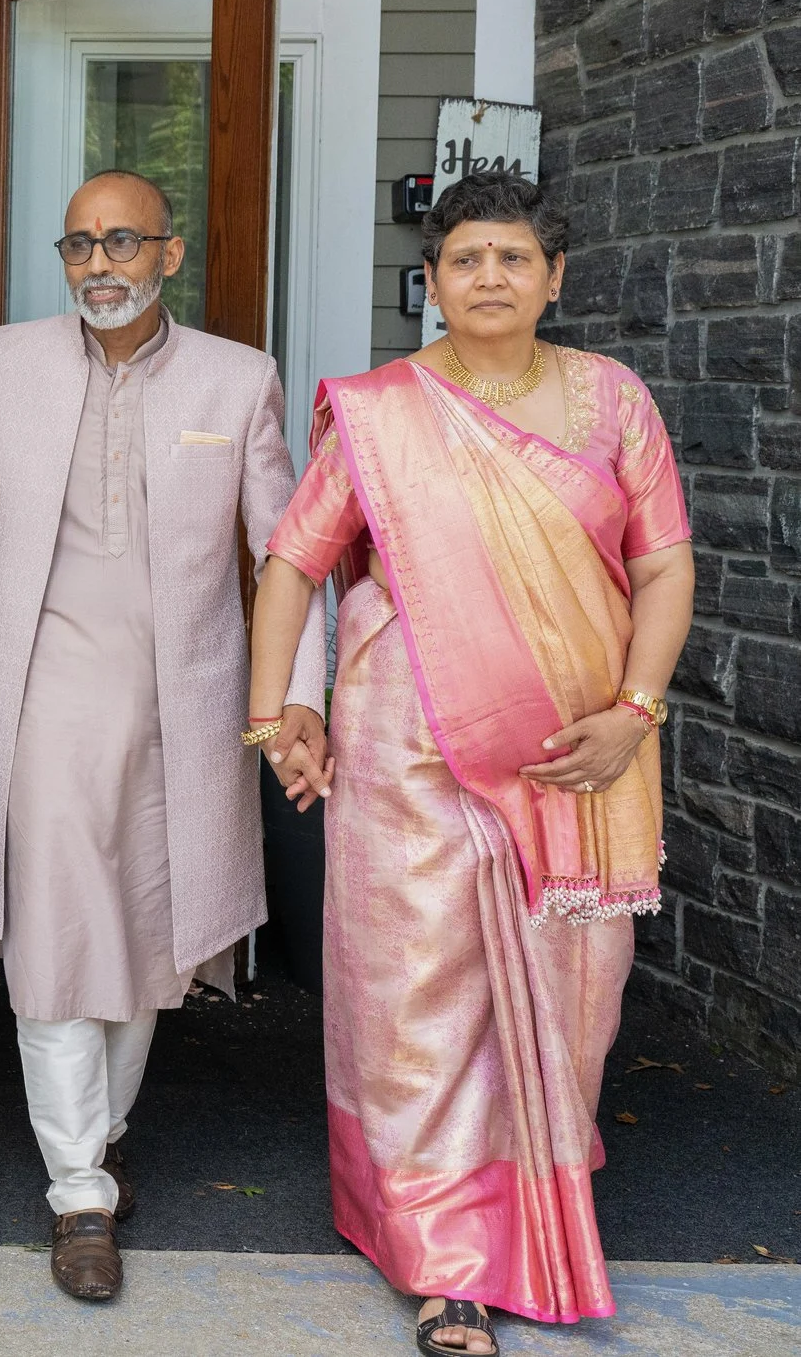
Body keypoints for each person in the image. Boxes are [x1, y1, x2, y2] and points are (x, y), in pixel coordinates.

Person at [248, 171, 693, 1355]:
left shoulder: (611, 401)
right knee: (417, 995)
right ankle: (441, 1253)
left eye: (511, 257)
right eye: (463, 258)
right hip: (409, 745)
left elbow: (662, 565)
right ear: (430, 282)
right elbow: (293, 560)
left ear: (554, 276)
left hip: (579, 754)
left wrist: (637, 709)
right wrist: (273, 713)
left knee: (573, 991)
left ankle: (532, 1204)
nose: (487, 276)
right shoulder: (384, 413)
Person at [0, 169, 326, 1302]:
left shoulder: (237, 380)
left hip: (180, 711)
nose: (98, 263)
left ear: (168, 255)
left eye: (122, 240)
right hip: (37, 699)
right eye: (78, 243)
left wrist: (301, 701)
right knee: (52, 937)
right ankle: (78, 1189)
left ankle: (107, 1126)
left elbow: (289, 553)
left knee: (145, 941)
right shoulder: (8, 358)